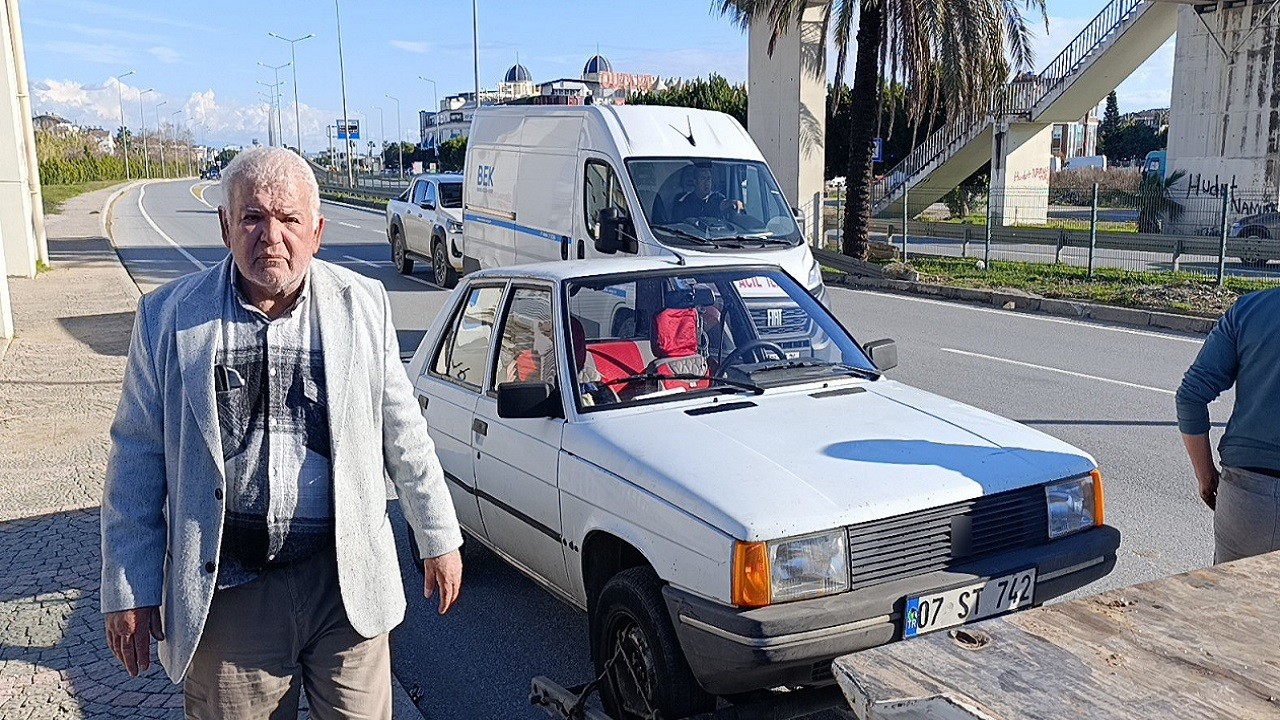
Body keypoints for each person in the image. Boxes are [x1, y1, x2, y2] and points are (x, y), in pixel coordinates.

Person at [100, 146, 463, 719]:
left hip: (345, 583)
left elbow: (405, 432)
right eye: (253, 217)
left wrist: (438, 535)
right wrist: (130, 587)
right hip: (230, 591)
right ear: (225, 226)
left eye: (289, 219)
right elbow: (136, 461)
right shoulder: (168, 319)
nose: (271, 235)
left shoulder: (362, 305)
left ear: (316, 232)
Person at [1176, 288, 1280, 564]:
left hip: (1248, 499)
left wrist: (1206, 476)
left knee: (1233, 603)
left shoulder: (1249, 310)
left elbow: (1190, 396)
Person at [672, 164, 742, 222]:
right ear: (695, 182)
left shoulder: (716, 198)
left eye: (708, 179)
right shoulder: (684, 201)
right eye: (703, 179)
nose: (707, 183)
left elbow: (724, 203)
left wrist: (733, 203)